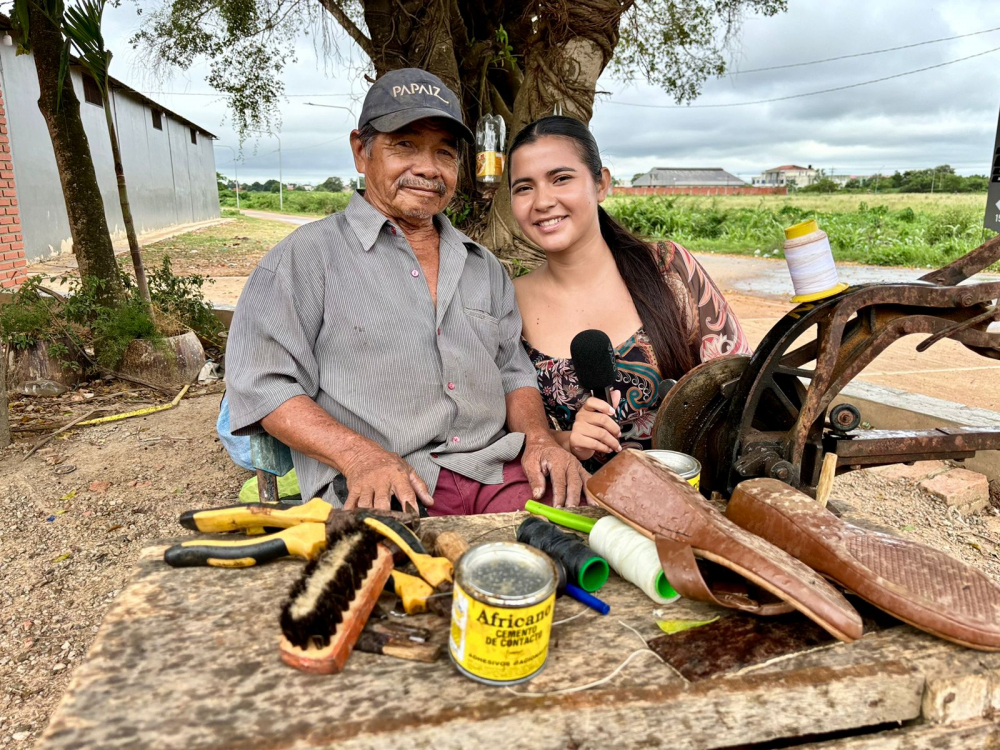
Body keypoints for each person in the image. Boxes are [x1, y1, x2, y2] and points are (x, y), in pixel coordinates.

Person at [225, 70, 587, 515]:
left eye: (444, 152)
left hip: (493, 471)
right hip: (379, 487)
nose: (428, 168)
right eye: (405, 145)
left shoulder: (484, 267)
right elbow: (262, 385)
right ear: (362, 151)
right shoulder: (304, 258)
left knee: (583, 537)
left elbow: (512, 372)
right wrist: (360, 456)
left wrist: (539, 440)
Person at [508, 116, 752, 470]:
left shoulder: (668, 269)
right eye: (524, 188)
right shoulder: (507, 301)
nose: (542, 201)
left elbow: (743, 383)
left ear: (601, 183)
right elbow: (517, 432)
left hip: (697, 493)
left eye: (561, 178)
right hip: (588, 509)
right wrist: (570, 441)